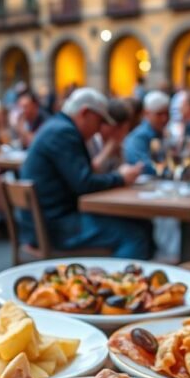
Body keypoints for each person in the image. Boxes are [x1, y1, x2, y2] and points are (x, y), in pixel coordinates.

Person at [19, 87, 150, 259]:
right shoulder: (64, 132)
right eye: (99, 121)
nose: (99, 129)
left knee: (142, 225)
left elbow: (82, 175)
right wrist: (121, 178)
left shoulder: (57, 126)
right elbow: (84, 183)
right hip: (55, 227)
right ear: (85, 113)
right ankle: (117, 284)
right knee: (135, 236)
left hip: (44, 222)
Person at [123, 91, 170, 175]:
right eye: (159, 114)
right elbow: (143, 166)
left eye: (167, 113)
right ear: (147, 113)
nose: (164, 118)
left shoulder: (163, 133)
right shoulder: (138, 137)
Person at [88, 98, 135, 174]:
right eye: (118, 128)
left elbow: (120, 174)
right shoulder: (91, 141)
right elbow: (89, 173)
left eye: (125, 130)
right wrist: (108, 150)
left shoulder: (120, 145)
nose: (122, 134)